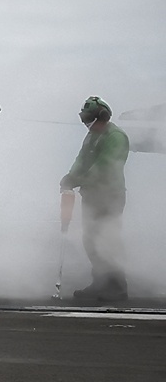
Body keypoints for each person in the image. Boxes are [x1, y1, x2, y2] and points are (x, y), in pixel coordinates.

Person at [61, 95, 130, 302]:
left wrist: (77, 179)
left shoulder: (116, 137)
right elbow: (82, 159)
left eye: (89, 119)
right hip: (92, 195)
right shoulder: (93, 135)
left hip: (110, 196)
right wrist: (70, 176)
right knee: (90, 240)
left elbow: (104, 167)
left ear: (103, 116)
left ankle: (117, 287)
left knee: (107, 240)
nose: (86, 124)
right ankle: (100, 282)